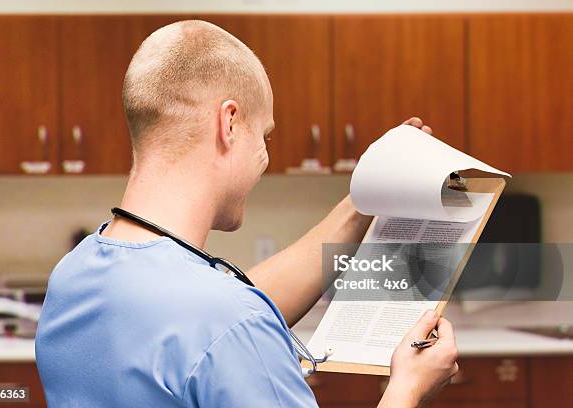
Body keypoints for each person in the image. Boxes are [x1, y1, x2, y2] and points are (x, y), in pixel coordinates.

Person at [36, 20, 458, 407]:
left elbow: (213, 317)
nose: (266, 155)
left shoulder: (75, 274)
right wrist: (408, 387)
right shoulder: (228, 322)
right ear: (230, 123)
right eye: (265, 134)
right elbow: (227, 322)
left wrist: (362, 202)